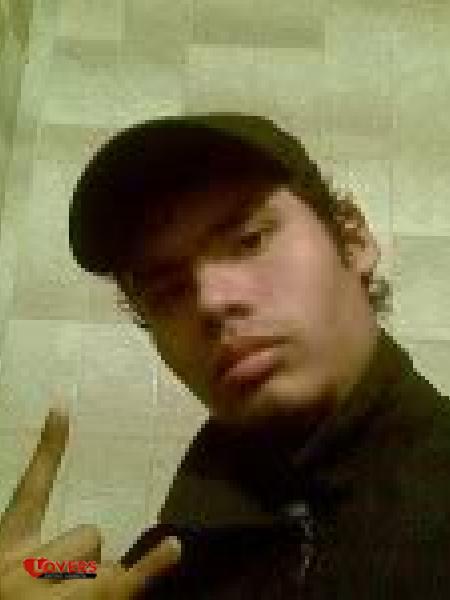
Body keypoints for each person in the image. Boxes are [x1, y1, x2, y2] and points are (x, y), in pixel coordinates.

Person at [2, 113, 449, 598]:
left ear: (352, 240)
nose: (210, 301)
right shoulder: (161, 563)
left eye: (249, 241)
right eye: (168, 290)